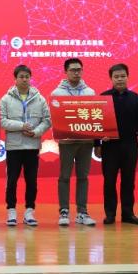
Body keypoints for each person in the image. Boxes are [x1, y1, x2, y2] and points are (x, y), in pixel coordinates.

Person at [0, 64, 51, 227]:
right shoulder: (6, 99)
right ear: (15, 79)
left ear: (30, 78)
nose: (24, 79)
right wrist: (21, 126)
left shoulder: (39, 99)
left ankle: (29, 211)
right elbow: (1, 120)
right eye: (21, 76)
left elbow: (47, 120)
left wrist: (36, 132)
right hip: (14, 147)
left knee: (31, 181)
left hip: (32, 146)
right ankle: (11, 211)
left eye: (27, 77)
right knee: (12, 180)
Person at [96, 63, 138, 225]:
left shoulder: (135, 98)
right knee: (109, 181)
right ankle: (110, 214)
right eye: (116, 77)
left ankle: (128, 214)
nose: (120, 79)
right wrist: (97, 143)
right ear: (111, 78)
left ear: (127, 77)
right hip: (109, 147)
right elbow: (97, 123)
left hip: (130, 145)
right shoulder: (103, 97)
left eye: (123, 76)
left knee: (128, 181)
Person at [51, 58, 97, 227]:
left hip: (86, 142)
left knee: (83, 176)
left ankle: (82, 212)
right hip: (67, 142)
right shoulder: (57, 93)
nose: (76, 73)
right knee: (64, 176)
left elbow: (95, 116)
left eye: (79, 70)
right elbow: (53, 117)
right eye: (73, 70)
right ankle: (64, 211)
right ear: (66, 72)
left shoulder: (90, 92)